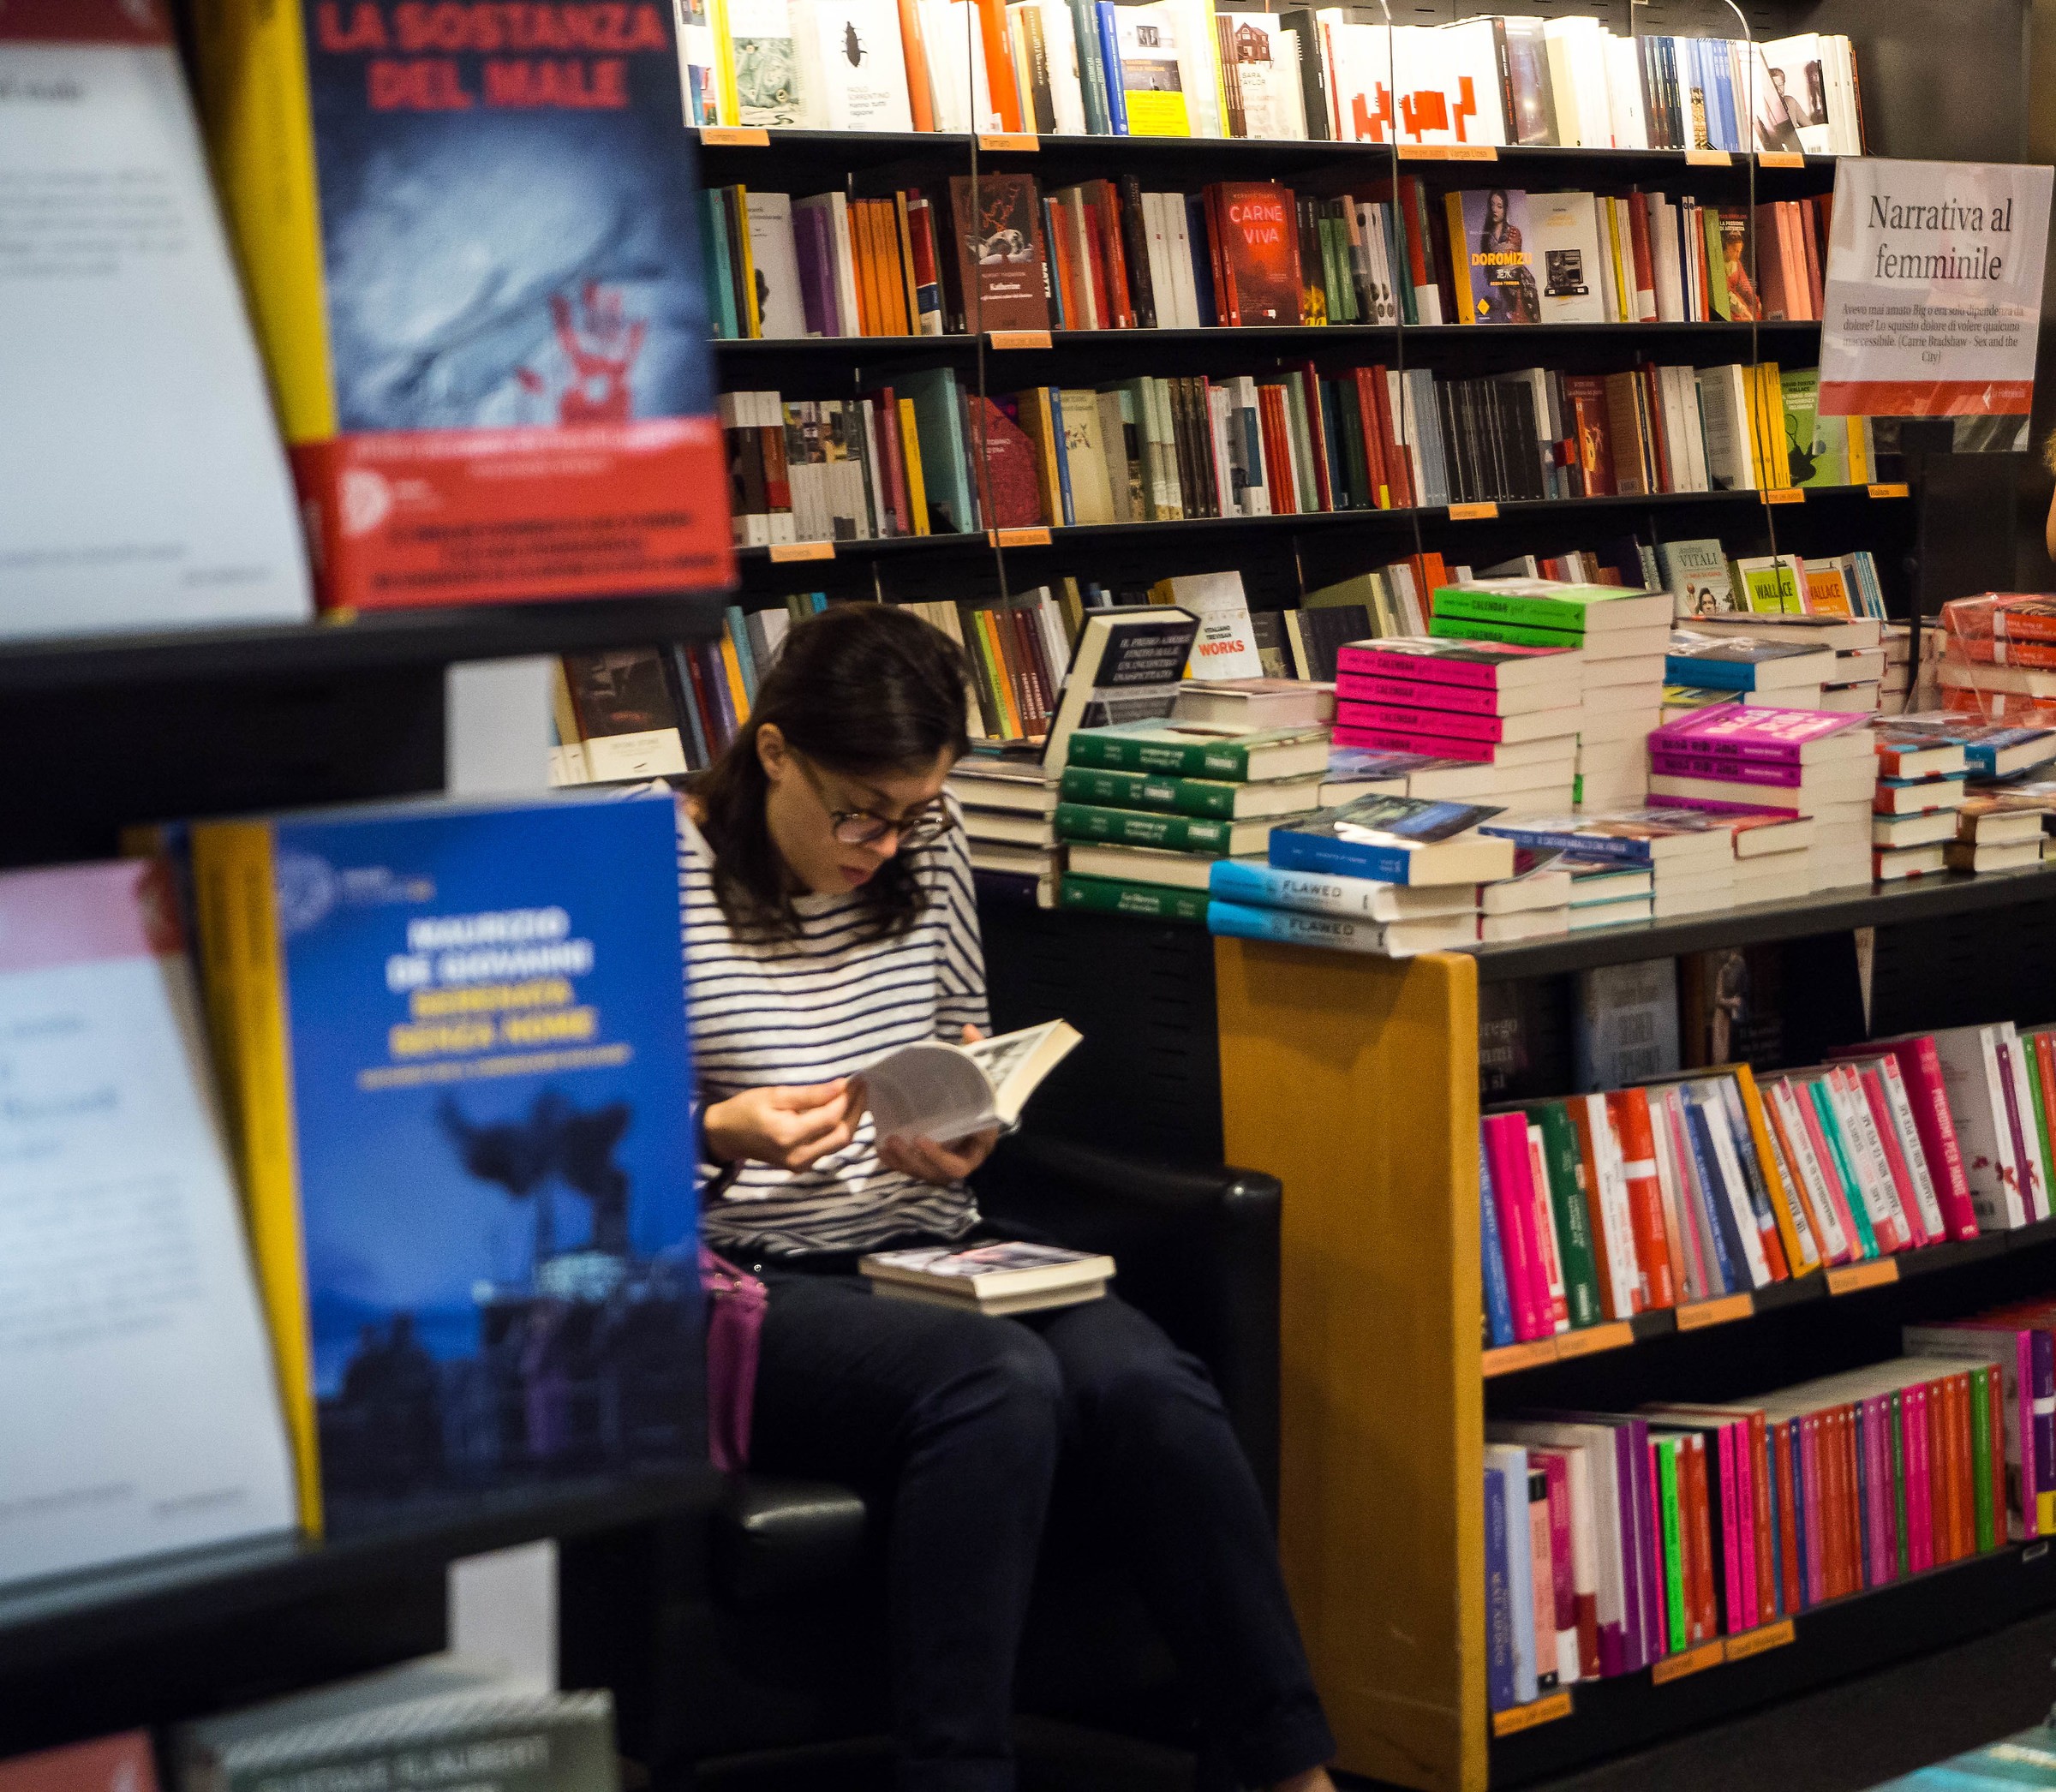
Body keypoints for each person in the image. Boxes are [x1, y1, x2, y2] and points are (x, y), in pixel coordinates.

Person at [684, 605, 1337, 1792]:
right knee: (996, 1381)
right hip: (746, 1276)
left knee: (1149, 1385)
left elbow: (959, 1043)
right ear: (773, 751)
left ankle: (1285, 1766)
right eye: (859, 812)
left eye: (913, 813)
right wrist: (719, 1133)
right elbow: (589, 1138)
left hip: (926, 1244)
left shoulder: (922, 854)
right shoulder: (656, 870)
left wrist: (967, 1125)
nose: (884, 844)